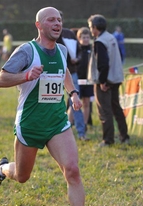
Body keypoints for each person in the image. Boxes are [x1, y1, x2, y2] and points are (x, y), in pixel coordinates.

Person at [0, 7, 102, 206]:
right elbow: (1, 80)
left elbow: (65, 74)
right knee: (22, 176)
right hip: (30, 124)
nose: (57, 22)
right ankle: (1, 170)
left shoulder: (61, 50)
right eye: (51, 19)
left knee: (72, 169)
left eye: (60, 19)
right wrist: (26, 75)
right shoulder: (26, 51)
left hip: (56, 123)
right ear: (39, 25)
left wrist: (72, 93)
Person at [87, 14, 130, 147]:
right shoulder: (111, 37)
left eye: (90, 27)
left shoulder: (100, 41)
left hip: (105, 81)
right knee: (116, 108)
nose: (90, 30)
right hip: (116, 78)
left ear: (95, 28)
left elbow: (103, 64)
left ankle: (108, 140)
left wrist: (102, 82)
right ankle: (124, 136)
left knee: (105, 111)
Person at [56, 11, 87, 141]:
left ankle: (81, 133)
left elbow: (79, 51)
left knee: (76, 103)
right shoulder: (48, 35)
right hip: (54, 74)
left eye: (59, 20)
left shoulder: (69, 34)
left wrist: (77, 59)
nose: (56, 23)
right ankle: (55, 133)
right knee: (54, 104)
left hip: (72, 72)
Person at [76, 27, 94, 130]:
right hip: (77, 80)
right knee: (74, 104)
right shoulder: (76, 49)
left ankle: (85, 124)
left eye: (87, 37)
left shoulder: (92, 50)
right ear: (79, 38)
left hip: (88, 80)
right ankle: (69, 124)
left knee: (86, 103)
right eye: (84, 37)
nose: (86, 39)